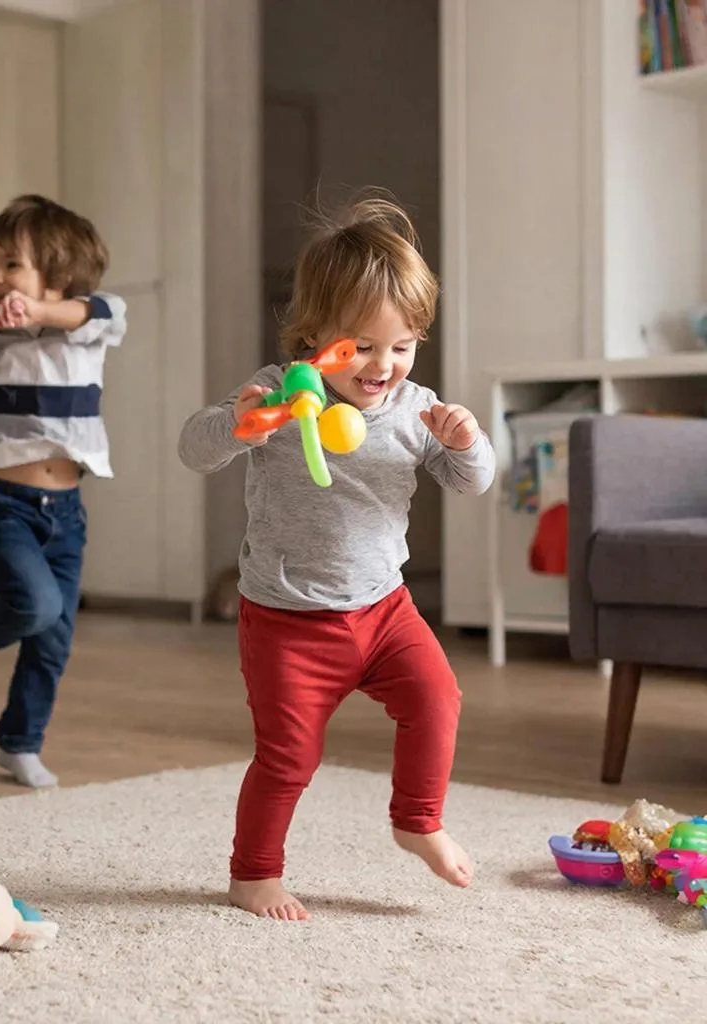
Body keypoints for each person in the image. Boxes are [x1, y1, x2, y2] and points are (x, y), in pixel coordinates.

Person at [177, 193, 495, 920]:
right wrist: (239, 426)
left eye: (403, 346)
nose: (384, 366)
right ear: (313, 337)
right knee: (288, 758)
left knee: (437, 699)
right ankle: (253, 874)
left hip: (383, 609)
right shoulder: (279, 394)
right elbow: (194, 449)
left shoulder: (415, 409)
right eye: (361, 347)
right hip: (287, 619)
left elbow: (473, 482)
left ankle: (417, 820)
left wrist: (466, 441)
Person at [0, 194, 126, 789]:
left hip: (67, 510)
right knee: (36, 606)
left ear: (59, 275)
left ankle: (20, 743)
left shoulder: (89, 332)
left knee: (53, 639)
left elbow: (101, 311)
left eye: (11, 264)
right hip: (0, 506)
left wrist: (38, 309)